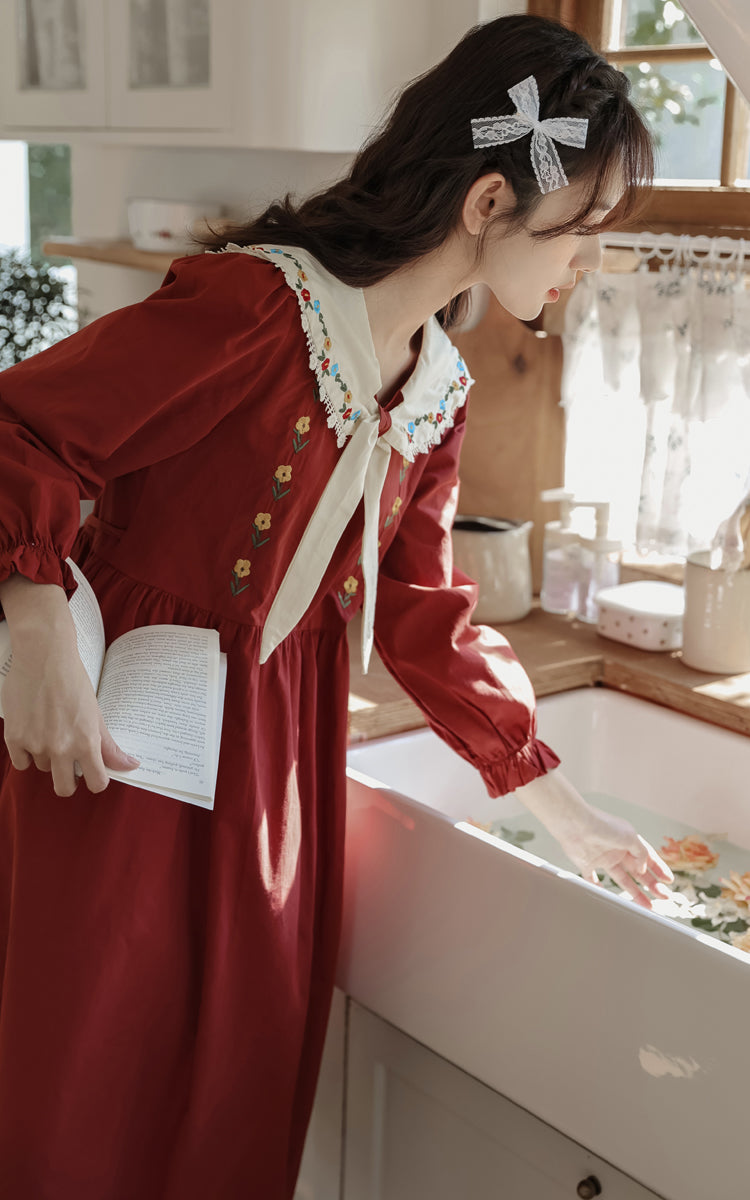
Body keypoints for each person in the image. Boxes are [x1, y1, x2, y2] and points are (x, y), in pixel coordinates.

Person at [0, 13, 674, 1199]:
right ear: (487, 205)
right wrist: (36, 618)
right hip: (122, 748)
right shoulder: (260, 310)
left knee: (231, 1095)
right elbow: (27, 427)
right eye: (586, 230)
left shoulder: (438, 383)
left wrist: (553, 799)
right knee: (83, 1087)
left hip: (274, 768)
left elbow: (425, 609)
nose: (589, 263)